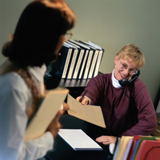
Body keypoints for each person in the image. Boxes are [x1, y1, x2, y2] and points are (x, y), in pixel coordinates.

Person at [0, 0, 76, 160]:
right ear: (48, 38)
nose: (64, 41)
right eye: (63, 35)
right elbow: (9, 155)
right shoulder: (14, 85)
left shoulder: (33, 71)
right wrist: (50, 135)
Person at [76, 44, 157, 148]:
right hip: (96, 137)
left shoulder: (138, 86)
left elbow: (150, 121)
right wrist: (86, 99)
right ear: (116, 59)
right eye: (124, 65)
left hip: (122, 143)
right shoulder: (100, 80)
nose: (126, 72)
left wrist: (120, 140)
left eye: (132, 70)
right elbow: (91, 91)